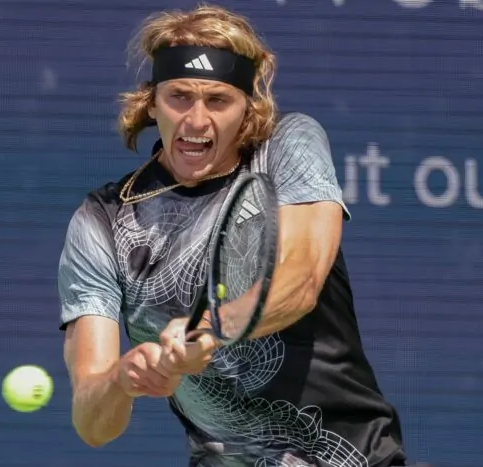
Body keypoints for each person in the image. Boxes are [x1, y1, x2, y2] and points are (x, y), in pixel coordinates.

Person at [57, 4, 407, 467]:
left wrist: (207, 332)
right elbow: (92, 423)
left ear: (247, 109)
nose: (196, 120)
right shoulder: (100, 222)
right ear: (151, 103)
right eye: (179, 96)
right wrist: (122, 379)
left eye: (218, 101)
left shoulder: (286, 146)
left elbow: (300, 282)